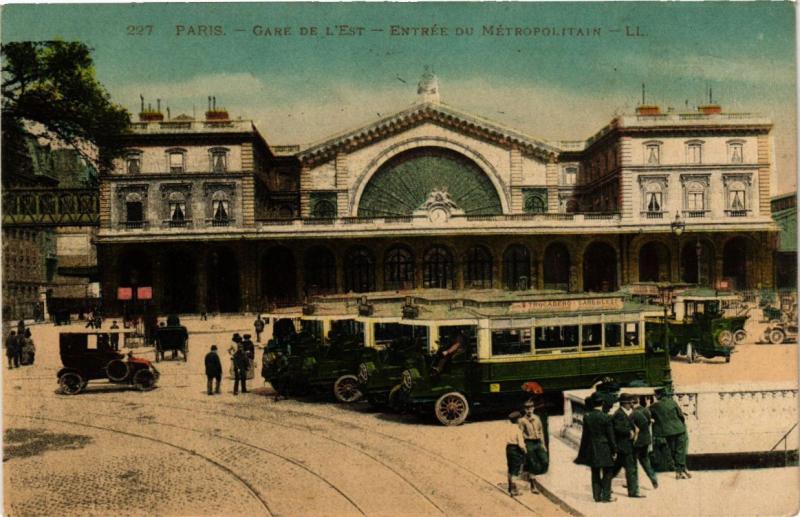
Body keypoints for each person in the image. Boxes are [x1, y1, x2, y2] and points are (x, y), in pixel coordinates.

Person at [575, 395, 617, 503]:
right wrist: (614, 450)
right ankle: (606, 496)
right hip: (605, 447)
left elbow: (585, 436)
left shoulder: (587, 416)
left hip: (592, 448)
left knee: (595, 472)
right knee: (608, 472)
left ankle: (597, 496)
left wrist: (583, 453)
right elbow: (611, 436)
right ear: (602, 404)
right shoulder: (606, 417)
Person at [651, 387, 690, 479]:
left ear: (658, 395)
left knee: (672, 450)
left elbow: (649, 416)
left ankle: (679, 470)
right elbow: (681, 416)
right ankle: (682, 469)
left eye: (655, 395)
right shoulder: (673, 403)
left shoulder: (654, 406)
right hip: (679, 429)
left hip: (667, 432)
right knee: (680, 450)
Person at [612, 394, 645, 498]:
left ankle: (604, 484)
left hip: (626, 446)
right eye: (630, 402)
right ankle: (633, 492)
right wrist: (629, 432)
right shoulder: (619, 414)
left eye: (632, 402)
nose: (632, 404)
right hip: (625, 446)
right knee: (631, 469)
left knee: (615, 469)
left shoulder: (625, 413)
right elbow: (617, 427)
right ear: (623, 403)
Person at [520, 399, 548, 493]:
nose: (529, 410)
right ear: (524, 410)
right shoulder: (522, 421)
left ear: (533, 408)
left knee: (545, 461)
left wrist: (543, 444)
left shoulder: (537, 418)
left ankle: (527, 470)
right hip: (529, 443)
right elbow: (520, 433)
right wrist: (523, 444)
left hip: (538, 443)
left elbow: (541, 432)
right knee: (532, 463)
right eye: (527, 408)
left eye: (531, 408)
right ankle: (533, 485)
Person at [632, 396, 658, 489]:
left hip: (636, 441)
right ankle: (653, 479)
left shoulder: (632, 413)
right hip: (646, 439)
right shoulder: (646, 410)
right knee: (645, 461)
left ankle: (633, 483)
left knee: (632, 463)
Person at [505, 411, 528, 497]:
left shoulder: (508, 428)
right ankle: (514, 490)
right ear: (518, 420)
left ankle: (510, 487)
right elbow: (521, 444)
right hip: (515, 449)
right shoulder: (518, 430)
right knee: (515, 470)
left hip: (508, 448)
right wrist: (525, 451)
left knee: (510, 468)